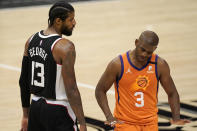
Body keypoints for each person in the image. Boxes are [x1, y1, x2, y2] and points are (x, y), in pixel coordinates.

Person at [95, 30, 190, 131]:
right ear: (136, 42)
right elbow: (100, 90)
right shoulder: (118, 64)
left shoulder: (160, 65)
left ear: (155, 49)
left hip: (150, 124)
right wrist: (109, 117)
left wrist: (176, 118)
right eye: (142, 49)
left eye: (149, 52)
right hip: (126, 123)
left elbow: (172, 93)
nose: (144, 54)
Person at [19, 1, 87, 131]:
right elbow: (71, 89)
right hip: (58, 111)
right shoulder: (65, 47)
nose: (74, 23)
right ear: (58, 21)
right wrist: (82, 123)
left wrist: (25, 115)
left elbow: (23, 81)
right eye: (70, 19)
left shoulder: (31, 40)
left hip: (36, 108)